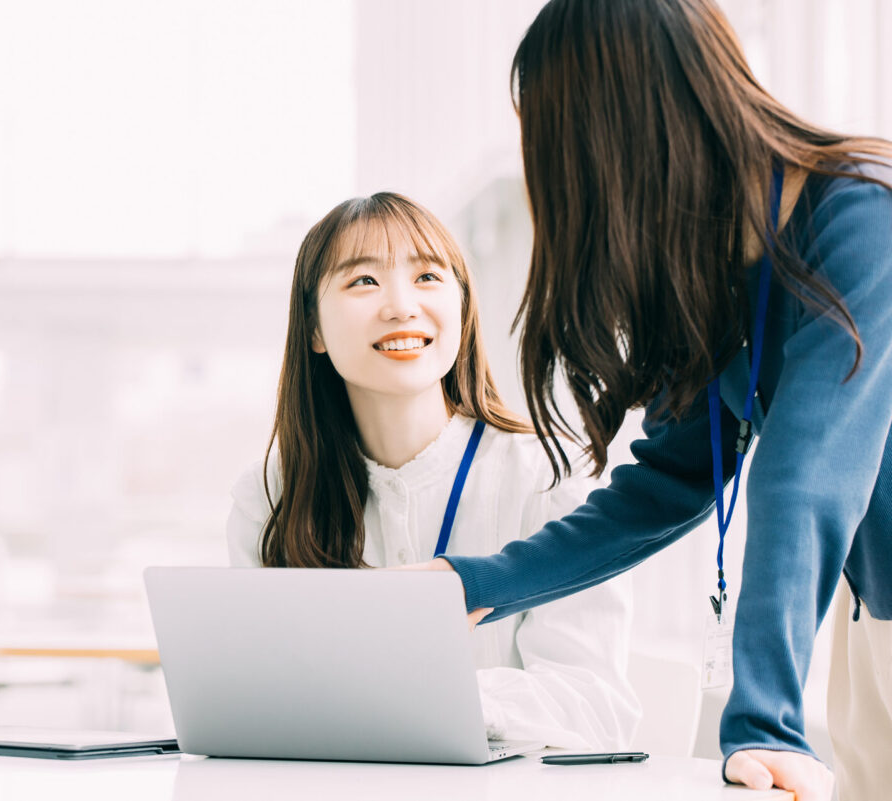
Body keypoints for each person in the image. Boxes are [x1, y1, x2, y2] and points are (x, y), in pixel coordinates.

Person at [405, 2, 892, 799]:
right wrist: (477, 582)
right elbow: (665, 484)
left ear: (625, 129)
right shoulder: (722, 272)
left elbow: (808, 474)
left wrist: (764, 722)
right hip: (875, 620)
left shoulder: (864, 214)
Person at [226, 192, 641, 750]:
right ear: (314, 330)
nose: (401, 306)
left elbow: (594, 706)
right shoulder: (270, 495)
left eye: (427, 277)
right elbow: (255, 697)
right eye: (363, 282)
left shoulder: (550, 477)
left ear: (463, 311)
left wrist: (428, 701)